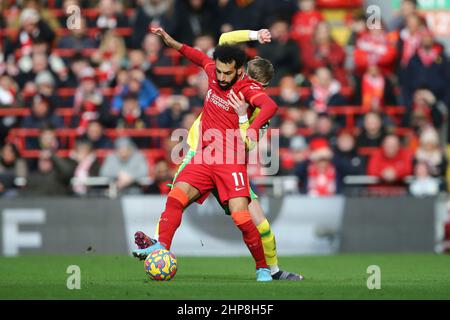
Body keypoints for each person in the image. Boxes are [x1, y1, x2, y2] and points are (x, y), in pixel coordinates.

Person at [134, 27, 303, 281]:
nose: (222, 77)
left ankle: (266, 270)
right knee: (175, 197)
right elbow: (202, 53)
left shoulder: (249, 93)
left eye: (228, 73)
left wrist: (246, 117)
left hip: (230, 163)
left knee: (247, 220)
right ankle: (161, 247)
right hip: (202, 155)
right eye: (220, 71)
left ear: (240, 71)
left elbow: (266, 113)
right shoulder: (215, 72)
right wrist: (171, 42)